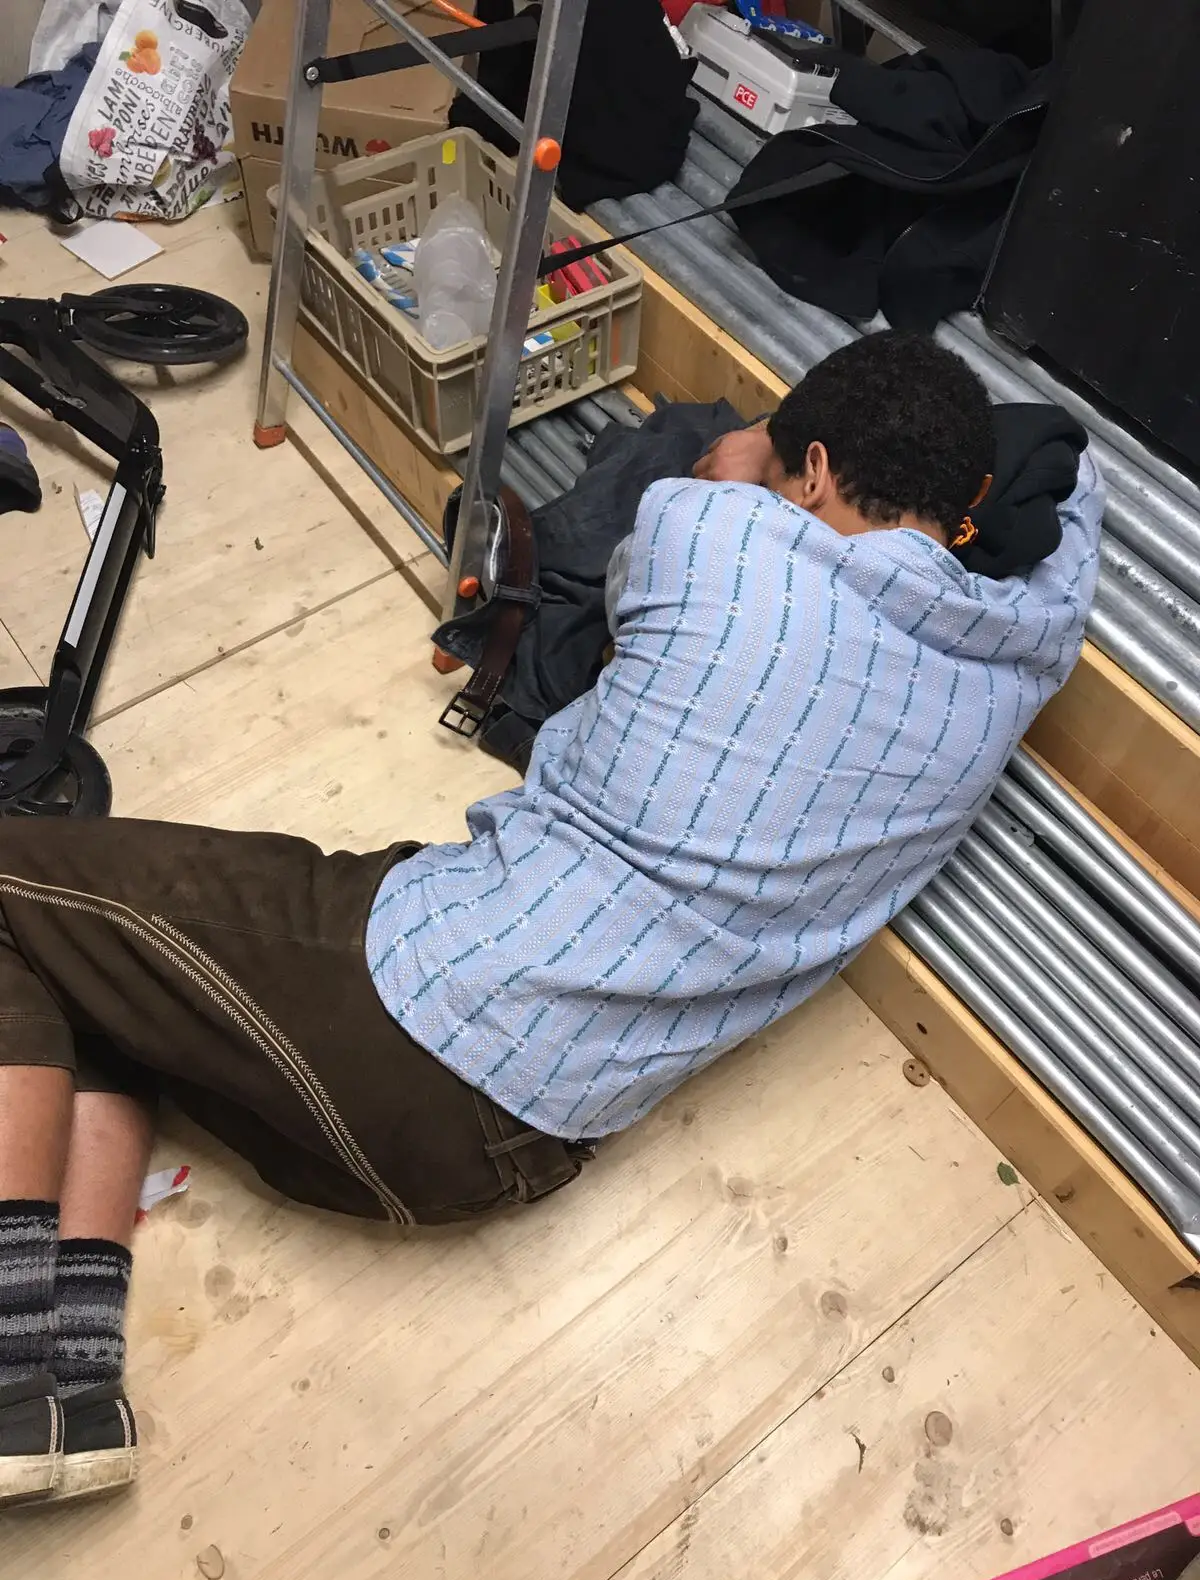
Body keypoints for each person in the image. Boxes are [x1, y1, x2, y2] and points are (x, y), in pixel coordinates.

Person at [0, 331, 1102, 1505]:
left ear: (814, 470)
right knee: (99, 975)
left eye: (780, 461)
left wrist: (744, 457)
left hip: (410, 1013)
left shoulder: (711, 534)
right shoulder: (1022, 660)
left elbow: (694, 518)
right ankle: (72, 1387)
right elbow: (1079, 487)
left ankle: (9, 1377)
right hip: (514, 1151)